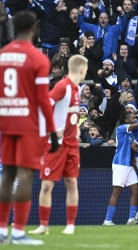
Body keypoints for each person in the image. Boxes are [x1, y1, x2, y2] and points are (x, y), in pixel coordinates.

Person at [0, 11, 58, 245]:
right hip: (27, 123)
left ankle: (2, 230)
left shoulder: (2, 55)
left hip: (6, 120)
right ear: (33, 29)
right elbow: (43, 99)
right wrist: (53, 131)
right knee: (25, 175)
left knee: (7, 174)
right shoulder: (38, 59)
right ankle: (18, 232)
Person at [28, 55, 88, 236]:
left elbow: (69, 113)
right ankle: (43, 225)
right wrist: (52, 129)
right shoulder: (63, 86)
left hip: (71, 145)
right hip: (56, 144)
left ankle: (70, 226)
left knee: (71, 182)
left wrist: (75, 129)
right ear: (82, 70)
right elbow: (43, 105)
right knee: (47, 185)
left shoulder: (77, 89)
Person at [103, 112, 138, 225]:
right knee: (117, 193)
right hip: (119, 164)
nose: (134, 118)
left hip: (129, 165)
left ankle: (131, 219)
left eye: (135, 116)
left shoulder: (134, 131)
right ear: (125, 118)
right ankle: (107, 220)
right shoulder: (121, 128)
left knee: (136, 190)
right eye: (132, 116)